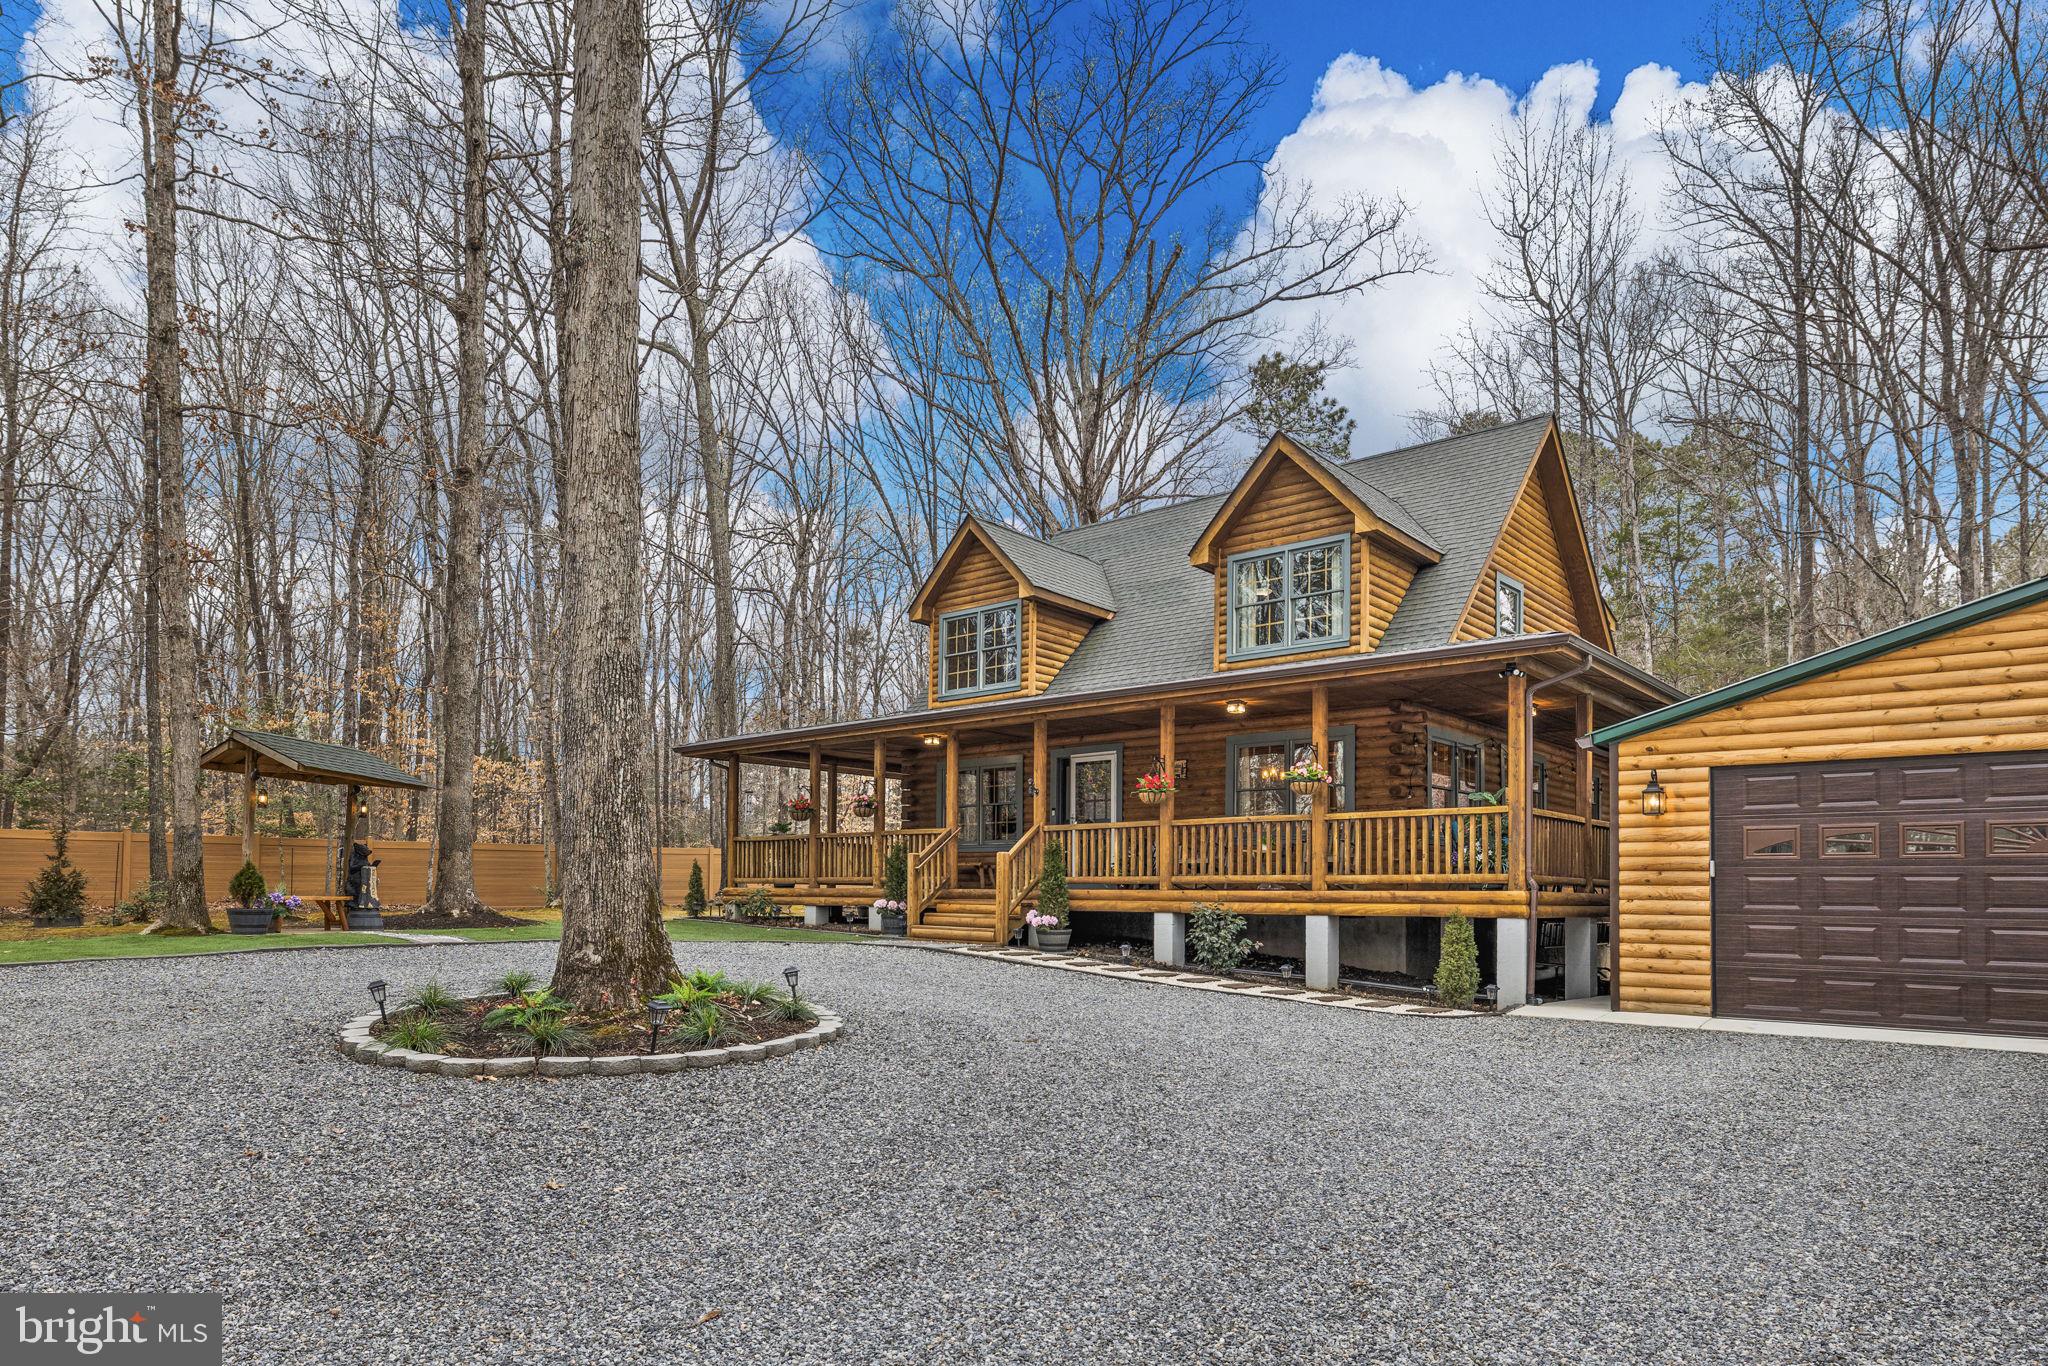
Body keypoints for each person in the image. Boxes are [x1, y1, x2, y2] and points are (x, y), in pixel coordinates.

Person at [345, 841, 382, 911]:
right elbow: (352, 868)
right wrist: (362, 866)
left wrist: (373, 866)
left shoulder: (364, 858)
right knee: (360, 884)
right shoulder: (354, 856)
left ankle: (370, 902)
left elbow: (366, 865)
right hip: (355, 879)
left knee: (373, 883)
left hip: (364, 877)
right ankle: (358, 902)